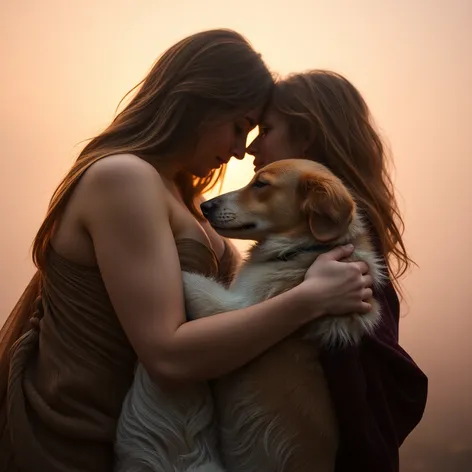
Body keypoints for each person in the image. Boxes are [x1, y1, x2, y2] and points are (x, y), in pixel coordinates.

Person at [0, 32, 374, 471]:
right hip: (84, 443)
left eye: (254, 133)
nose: (239, 151)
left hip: (167, 446)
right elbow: (168, 356)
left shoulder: (185, 198)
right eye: (239, 127)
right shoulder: (123, 177)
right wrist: (309, 300)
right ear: (199, 102)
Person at [247, 69, 428, 472]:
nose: (251, 147)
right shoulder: (332, 224)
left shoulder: (330, 234)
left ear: (306, 133)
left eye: (266, 128)